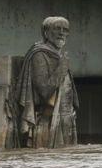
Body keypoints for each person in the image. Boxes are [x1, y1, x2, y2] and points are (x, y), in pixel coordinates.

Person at [13, 17, 79, 149]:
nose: (61, 33)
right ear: (46, 32)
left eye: (65, 30)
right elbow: (44, 91)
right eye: (57, 28)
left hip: (66, 119)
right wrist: (62, 67)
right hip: (49, 120)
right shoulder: (39, 55)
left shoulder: (60, 56)